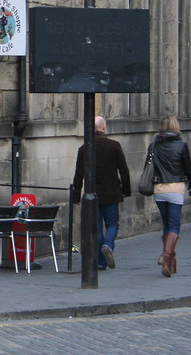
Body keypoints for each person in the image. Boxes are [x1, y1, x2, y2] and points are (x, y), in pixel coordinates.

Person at [71, 116, 132, 271]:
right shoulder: (114, 146)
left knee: (96, 228)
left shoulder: (84, 149)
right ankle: (108, 245)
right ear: (104, 128)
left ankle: (101, 261)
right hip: (112, 193)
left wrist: (76, 196)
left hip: (93, 194)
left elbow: (79, 174)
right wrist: (126, 190)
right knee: (112, 224)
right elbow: (124, 171)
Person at [149, 115, 191, 277]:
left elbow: (149, 168)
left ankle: (170, 264)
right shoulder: (181, 146)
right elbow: (188, 167)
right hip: (176, 188)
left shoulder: (153, 146)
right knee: (175, 226)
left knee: (166, 225)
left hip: (159, 188)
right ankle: (166, 255)